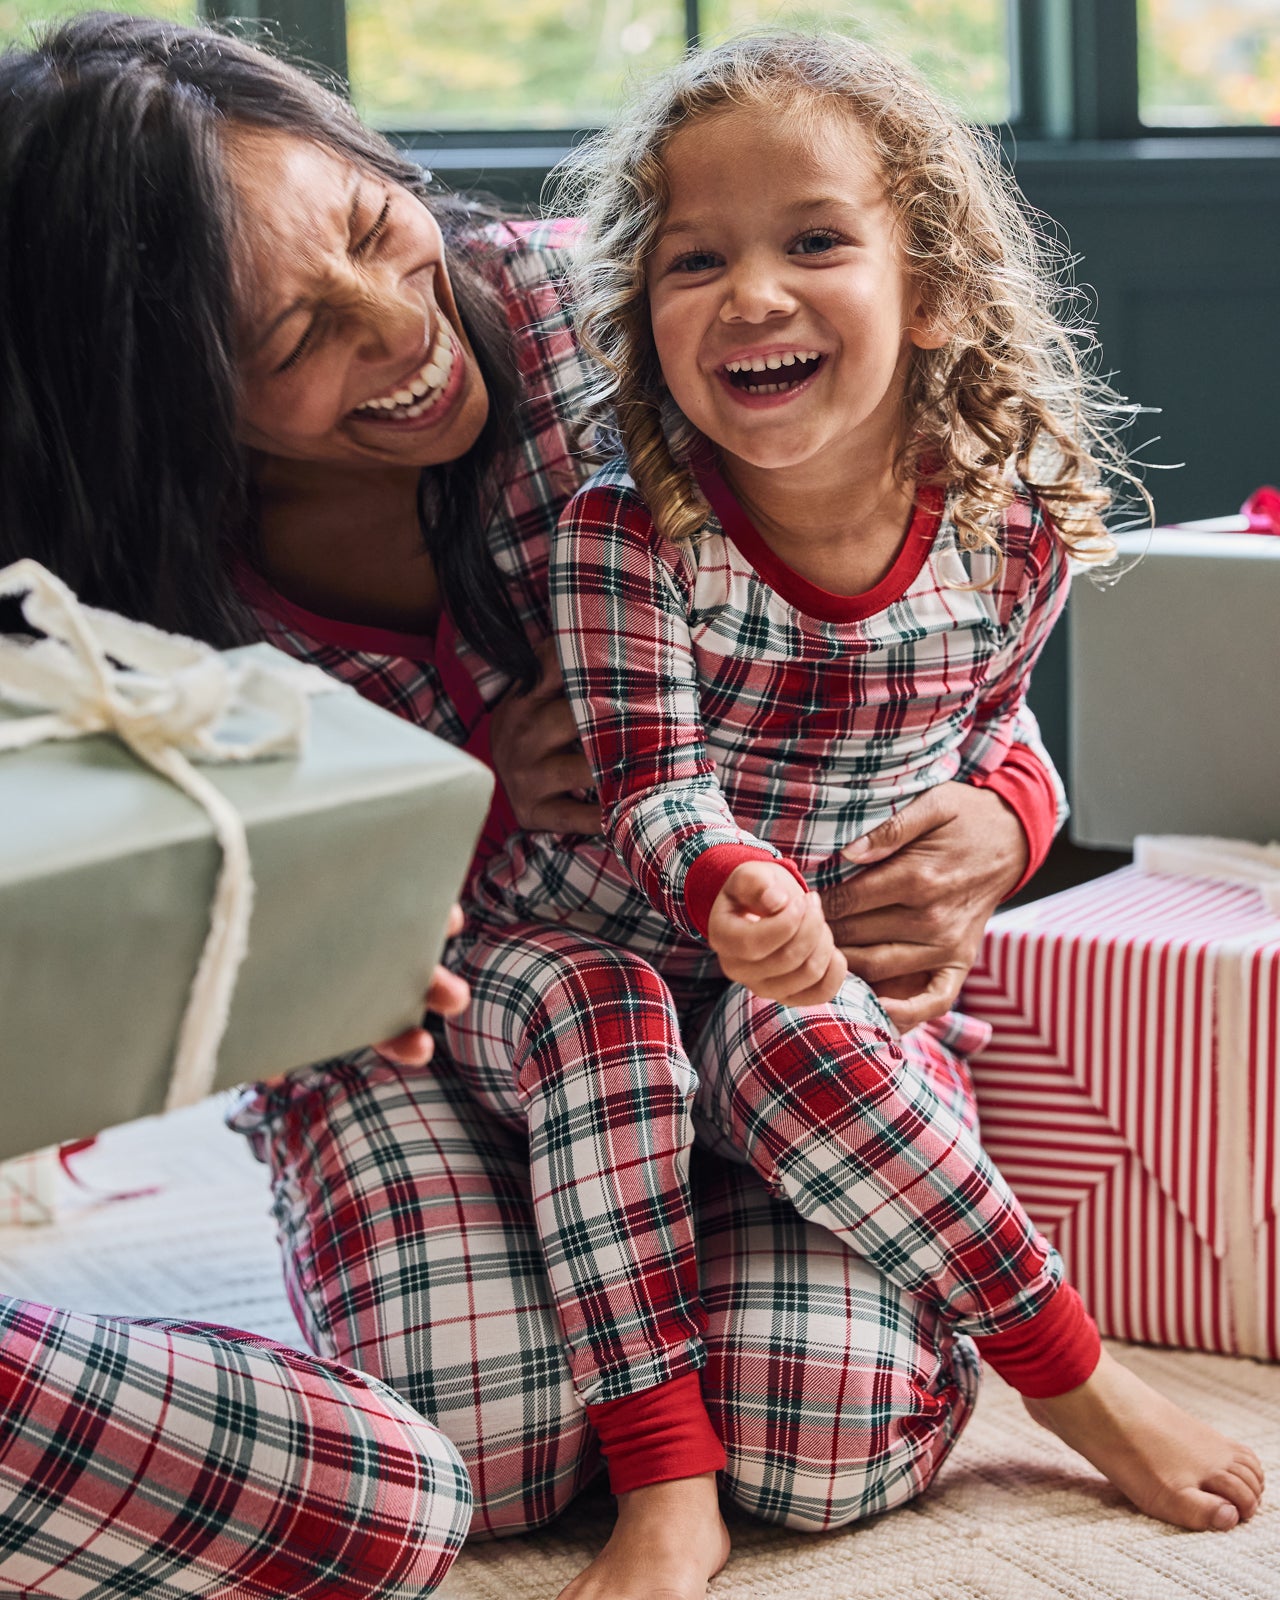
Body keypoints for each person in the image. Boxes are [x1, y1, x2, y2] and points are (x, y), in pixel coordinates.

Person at [0, 12, 1154, 1598]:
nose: (396, 328)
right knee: (481, 1455)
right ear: (157, 402)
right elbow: (146, 909)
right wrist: (431, 847)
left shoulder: (631, 316)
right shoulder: (125, 590)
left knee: (825, 1433)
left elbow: (918, 632)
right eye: (291, 344)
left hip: (757, 1018)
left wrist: (1014, 812)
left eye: (370, 227)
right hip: (434, 1034)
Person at [440, 29, 1266, 1600]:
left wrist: (1017, 810)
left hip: (805, 1003)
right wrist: (739, 877)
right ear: (644, 317)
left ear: (932, 287)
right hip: (578, 959)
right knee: (618, 1014)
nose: (753, 293)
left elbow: (991, 727)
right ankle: (662, 1479)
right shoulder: (632, 529)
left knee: (805, 1043)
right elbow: (650, 784)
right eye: (697, 261)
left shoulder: (1003, 523)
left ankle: (1066, 1369)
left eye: (815, 241)